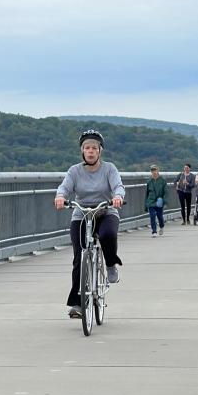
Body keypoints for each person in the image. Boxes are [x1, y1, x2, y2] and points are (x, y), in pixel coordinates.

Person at [54, 129, 125, 318]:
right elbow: (65, 186)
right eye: (87, 148)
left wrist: (117, 196)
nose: (91, 151)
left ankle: (110, 264)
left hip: (105, 210)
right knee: (79, 257)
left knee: (107, 235)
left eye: (94, 147)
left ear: (100, 150)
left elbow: (118, 185)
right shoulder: (74, 171)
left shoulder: (109, 168)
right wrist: (61, 196)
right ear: (82, 151)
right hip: (82, 214)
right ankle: (77, 304)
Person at [145, 164, 167, 237]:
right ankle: (154, 231)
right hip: (151, 201)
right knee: (152, 216)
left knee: (160, 216)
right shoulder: (149, 181)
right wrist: (145, 205)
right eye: (152, 170)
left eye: (155, 170)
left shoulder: (163, 181)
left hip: (159, 201)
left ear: (158, 170)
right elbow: (147, 193)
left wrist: (164, 201)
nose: (154, 172)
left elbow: (166, 192)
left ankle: (161, 226)